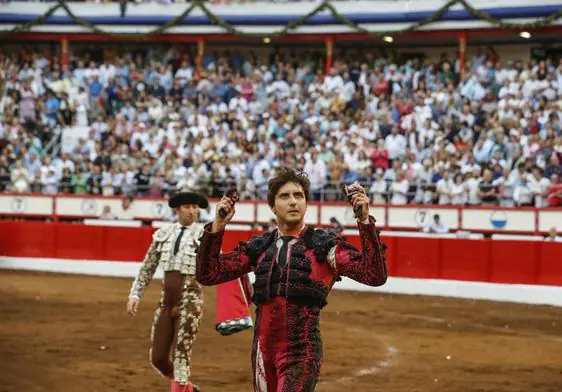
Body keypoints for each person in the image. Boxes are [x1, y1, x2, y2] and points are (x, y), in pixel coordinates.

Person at [196, 168, 388, 391]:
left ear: (306, 203)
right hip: (262, 351)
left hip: (302, 352)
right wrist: (218, 226)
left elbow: (374, 275)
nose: (293, 202)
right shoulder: (260, 247)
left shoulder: (323, 246)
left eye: (299, 196)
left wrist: (364, 221)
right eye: (284, 196)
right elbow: (208, 274)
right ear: (272, 206)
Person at [126, 191, 208, 392]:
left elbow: (219, 266)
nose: (192, 212)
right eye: (188, 207)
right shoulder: (164, 233)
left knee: (181, 356)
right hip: (166, 301)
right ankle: (188, 388)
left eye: (195, 207)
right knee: (158, 357)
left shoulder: (206, 236)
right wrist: (135, 294)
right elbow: (148, 266)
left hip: (190, 300)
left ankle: (181, 387)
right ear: (178, 209)